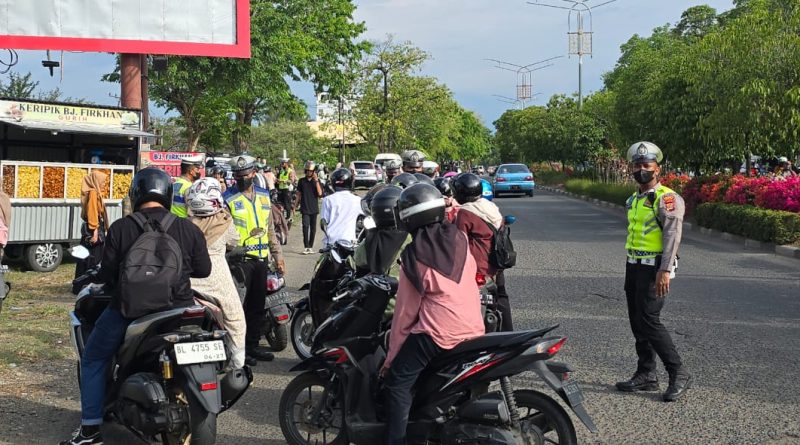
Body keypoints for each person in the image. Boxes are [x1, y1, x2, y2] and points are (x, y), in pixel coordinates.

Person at [60, 167, 212, 445]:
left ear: (136, 193)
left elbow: (106, 274)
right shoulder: (187, 228)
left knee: (93, 358)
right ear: (168, 194)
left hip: (130, 310)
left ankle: (90, 431)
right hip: (179, 310)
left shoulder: (122, 227)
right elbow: (203, 270)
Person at [381, 183, 485, 445]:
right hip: (474, 328)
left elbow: (404, 315)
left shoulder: (414, 256)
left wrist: (390, 359)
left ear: (409, 218)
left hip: (438, 335)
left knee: (398, 383)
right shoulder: (460, 239)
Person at [616, 141, 691, 402]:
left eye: (646, 165)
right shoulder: (634, 199)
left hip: (655, 268)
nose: (641, 170)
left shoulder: (667, 198)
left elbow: (672, 236)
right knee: (637, 320)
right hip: (634, 265)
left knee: (650, 320)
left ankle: (678, 372)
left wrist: (665, 270)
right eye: (637, 165)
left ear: (657, 169)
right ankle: (646, 373)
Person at [223, 155, 285, 364]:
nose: (242, 178)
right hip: (238, 261)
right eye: (238, 176)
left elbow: (270, 230)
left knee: (258, 305)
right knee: (238, 308)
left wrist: (278, 256)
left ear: (254, 174)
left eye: (246, 175)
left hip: (261, 259)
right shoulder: (228, 198)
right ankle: (239, 350)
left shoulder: (263, 196)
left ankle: (253, 346)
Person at [186, 177, 248, 368]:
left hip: (187, 282)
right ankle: (238, 365)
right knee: (236, 319)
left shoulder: (184, 225)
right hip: (216, 281)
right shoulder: (224, 221)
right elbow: (234, 241)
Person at [451, 173, 514, 331]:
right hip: (496, 262)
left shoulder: (465, 213)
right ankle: (507, 331)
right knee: (501, 297)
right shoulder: (490, 207)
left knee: (467, 301)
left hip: (477, 268)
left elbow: (459, 243)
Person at [74, 171, 110, 284]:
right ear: (96, 181)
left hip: (93, 227)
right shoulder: (93, 192)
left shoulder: (93, 192)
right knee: (93, 257)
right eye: (102, 181)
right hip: (93, 228)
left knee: (86, 256)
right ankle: (88, 283)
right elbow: (92, 212)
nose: (104, 184)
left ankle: (81, 283)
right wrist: (95, 231)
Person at [320, 168, 363, 246]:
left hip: (331, 242)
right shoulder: (358, 200)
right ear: (350, 182)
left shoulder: (327, 200)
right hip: (350, 242)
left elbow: (324, 221)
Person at [295, 161, 323, 254]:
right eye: (307, 171)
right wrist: (295, 207)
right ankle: (306, 246)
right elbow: (298, 195)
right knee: (305, 227)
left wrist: (316, 180)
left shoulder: (316, 182)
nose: (309, 172)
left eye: (311, 171)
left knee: (313, 229)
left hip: (314, 208)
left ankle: (310, 247)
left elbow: (320, 194)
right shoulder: (301, 181)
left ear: (314, 171)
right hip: (305, 208)